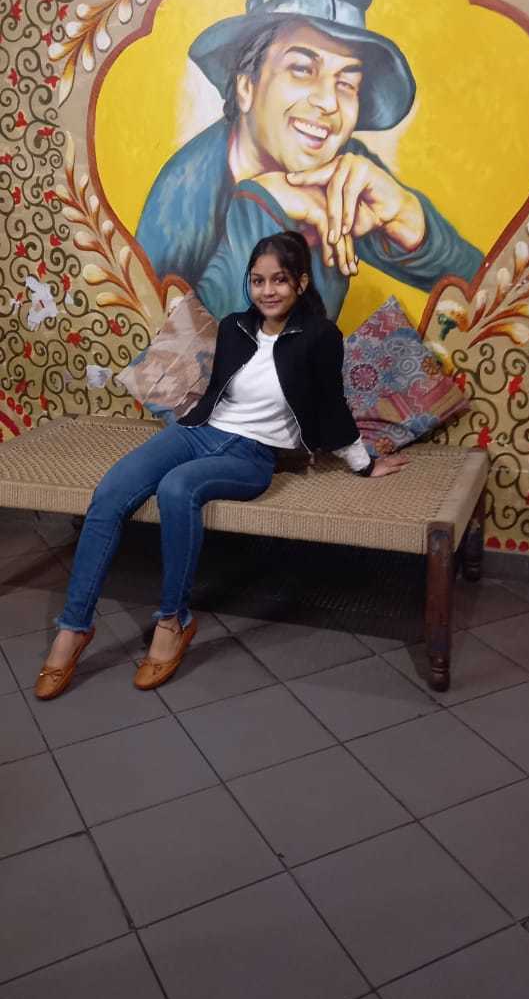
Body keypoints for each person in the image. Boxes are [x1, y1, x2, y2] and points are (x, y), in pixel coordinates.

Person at [34, 231, 409, 701]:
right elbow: (218, 394)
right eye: (258, 280)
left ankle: (173, 621)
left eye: (279, 280)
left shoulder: (320, 337)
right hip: (196, 433)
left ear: (300, 282)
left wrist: (363, 463)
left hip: (250, 454)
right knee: (111, 491)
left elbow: (332, 408)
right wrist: (189, 420)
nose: (267, 291)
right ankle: (74, 628)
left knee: (177, 489)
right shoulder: (234, 327)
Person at [136, 0, 482, 321]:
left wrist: (410, 222)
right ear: (247, 86)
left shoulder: (341, 168)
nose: (329, 102)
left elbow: (487, 296)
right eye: (302, 69)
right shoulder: (181, 198)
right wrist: (261, 206)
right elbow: (177, 353)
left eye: (347, 82)